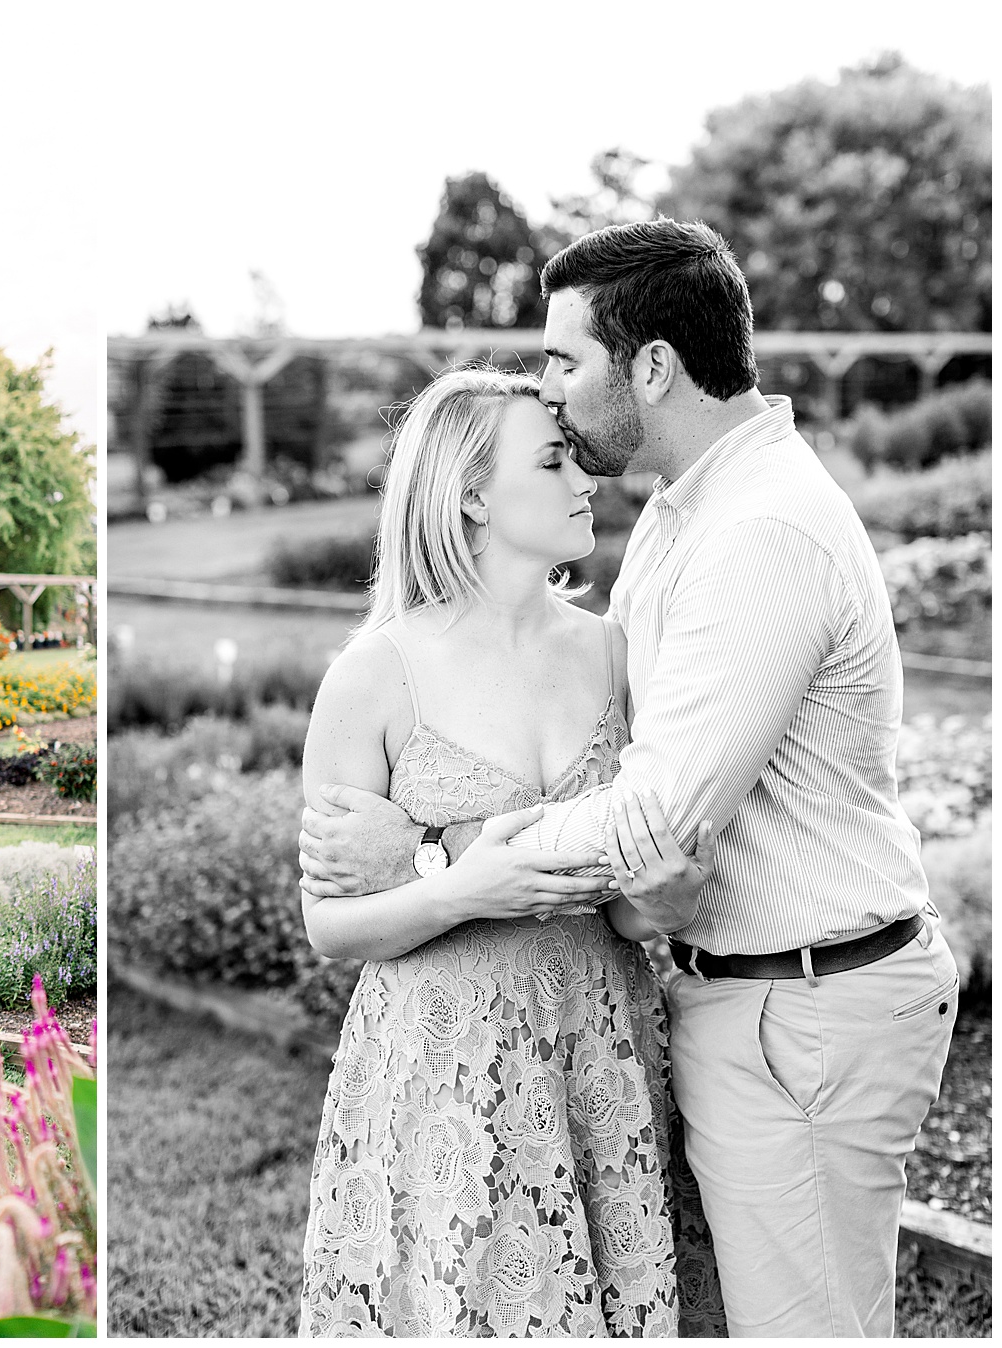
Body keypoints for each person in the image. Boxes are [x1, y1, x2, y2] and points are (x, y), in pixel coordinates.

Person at [301, 220, 957, 1337]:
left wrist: (441, 853)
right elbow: (650, 846)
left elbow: (655, 818)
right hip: (692, 1011)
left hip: (798, 1009)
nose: (551, 395)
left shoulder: (760, 530)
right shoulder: (675, 515)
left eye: (565, 362)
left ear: (651, 366)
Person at [296, 365, 721, 1337]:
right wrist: (462, 885)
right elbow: (329, 924)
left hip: (601, 1041)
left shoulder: (613, 652)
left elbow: (623, 898)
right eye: (554, 458)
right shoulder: (375, 675)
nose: (586, 481)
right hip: (442, 1062)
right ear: (472, 492)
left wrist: (663, 898)